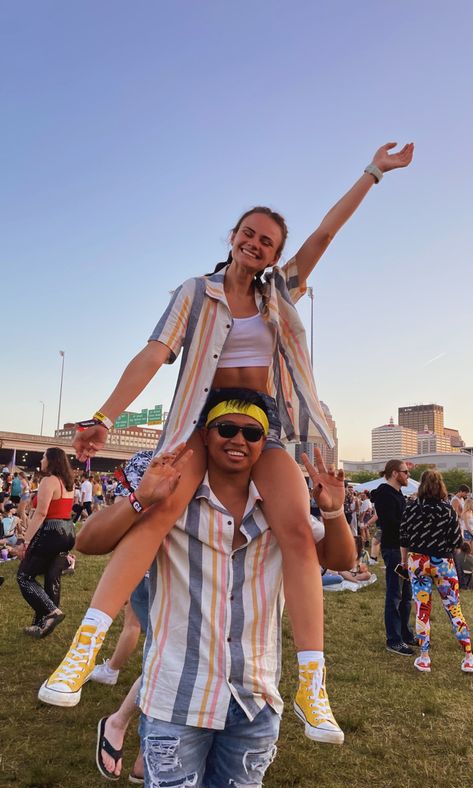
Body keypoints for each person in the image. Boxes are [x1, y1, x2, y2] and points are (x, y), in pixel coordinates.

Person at [40, 142, 414, 732]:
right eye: (248, 232)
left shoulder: (280, 295)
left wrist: (373, 173)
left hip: (263, 421)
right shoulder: (195, 293)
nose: (255, 243)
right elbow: (154, 354)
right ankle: (82, 650)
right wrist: (106, 417)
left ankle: (312, 686)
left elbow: (322, 236)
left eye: (267, 240)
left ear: (274, 255)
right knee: (158, 509)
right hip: (201, 416)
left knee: (295, 525)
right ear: (233, 237)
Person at [42, 395, 355, 788]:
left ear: (264, 444)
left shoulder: (279, 509)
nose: (238, 441)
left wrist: (334, 510)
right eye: (226, 429)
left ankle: (313, 687)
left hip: (253, 695)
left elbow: (340, 558)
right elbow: (88, 542)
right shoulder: (172, 498)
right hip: (177, 695)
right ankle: (83, 648)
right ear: (205, 435)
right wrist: (138, 499)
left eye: (251, 434)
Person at [400, 470, 473, 673]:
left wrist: (404, 562)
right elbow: (455, 541)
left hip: (417, 561)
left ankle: (424, 657)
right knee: (454, 608)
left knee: (422, 609)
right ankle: (468, 656)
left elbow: (404, 538)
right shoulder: (447, 510)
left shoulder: (411, 508)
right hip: (443, 562)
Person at [16, 448, 75, 637]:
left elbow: (42, 513)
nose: (41, 460)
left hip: (52, 530)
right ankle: (42, 625)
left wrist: (26, 540)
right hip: (67, 530)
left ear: (51, 460)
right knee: (52, 577)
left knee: (24, 577)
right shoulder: (68, 482)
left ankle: (51, 613)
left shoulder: (49, 481)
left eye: (43, 457)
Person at [373, 460, 415, 656]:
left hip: (404, 549)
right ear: (394, 473)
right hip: (393, 549)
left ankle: (405, 633)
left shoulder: (397, 493)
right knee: (395, 595)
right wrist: (412, 526)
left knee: (407, 595)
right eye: (405, 472)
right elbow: (391, 523)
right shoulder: (384, 493)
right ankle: (394, 639)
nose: (407, 475)